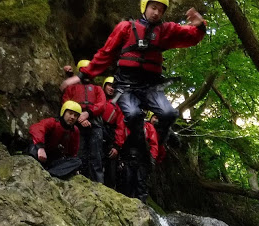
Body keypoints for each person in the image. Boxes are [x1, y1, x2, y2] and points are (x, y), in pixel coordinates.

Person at [60, 0, 206, 164]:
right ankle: (139, 147)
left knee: (169, 113)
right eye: (153, 8)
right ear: (145, 7)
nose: (156, 13)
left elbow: (191, 36)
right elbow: (105, 53)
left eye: (160, 10)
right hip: (126, 84)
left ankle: (156, 144)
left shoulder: (165, 31)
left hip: (151, 85)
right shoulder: (126, 27)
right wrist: (81, 76)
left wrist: (200, 26)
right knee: (133, 114)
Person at [61, 59, 108, 183]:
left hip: (95, 125)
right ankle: (79, 181)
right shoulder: (72, 88)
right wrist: (79, 118)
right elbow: (66, 103)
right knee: (78, 154)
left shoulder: (97, 89)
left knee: (96, 156)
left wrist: (88, 113)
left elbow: (102, 104)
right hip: (76, 124)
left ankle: (99, 184)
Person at [26, 101, 82, 179]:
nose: (72, 117)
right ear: (64, 112)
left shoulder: (74, 131)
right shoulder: (53, 122)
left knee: (77, 161)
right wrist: (40, 147)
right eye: (70, 113)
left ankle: (50, 174)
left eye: (75, 115)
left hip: (53, 159)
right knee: (33, 148)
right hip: (40, 152)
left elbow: (72, 152)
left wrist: (74, 168)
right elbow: (36, 128)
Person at [118, 115, 159, 203]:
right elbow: (120, 138)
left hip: (142, 159)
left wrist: (152, 159)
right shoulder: (125, 124)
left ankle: (142, 207)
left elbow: (153, 144)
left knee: (141, 184)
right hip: (127, 158)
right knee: (126, 182)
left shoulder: (148, 127)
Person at [100, 76, 126, 189]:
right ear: (104, 86)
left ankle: (109, 188)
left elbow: (121, 127)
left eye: (114, 87)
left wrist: (117, 146)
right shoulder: (98, 97)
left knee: (111, 168)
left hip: (109, 135)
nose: (111, 88)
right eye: (109, 85)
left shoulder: (118, 106)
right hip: (95, 130)